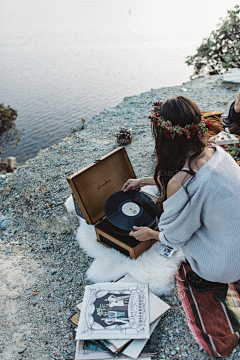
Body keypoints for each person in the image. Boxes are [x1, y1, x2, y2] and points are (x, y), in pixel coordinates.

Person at [121, 96, 240, 302]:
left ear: (164, 137)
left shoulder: (181, 182)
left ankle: (213, 280)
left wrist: (149, 233)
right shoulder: (217, 151)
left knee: (169, 219)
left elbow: (174, 237)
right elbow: (186, 179)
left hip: (226, 265)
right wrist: (142, 181)